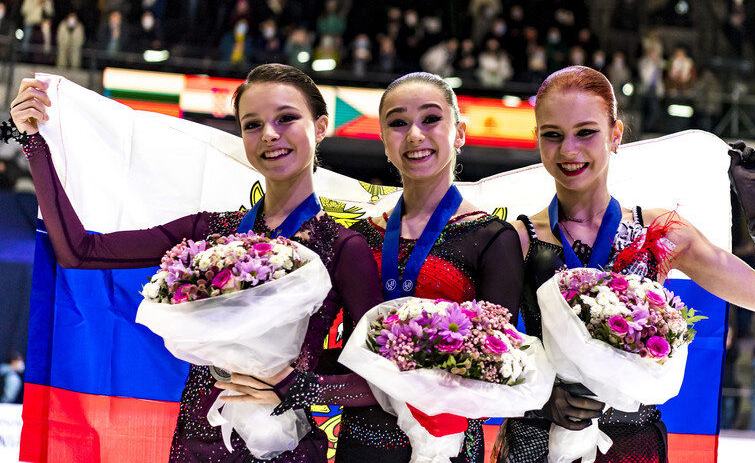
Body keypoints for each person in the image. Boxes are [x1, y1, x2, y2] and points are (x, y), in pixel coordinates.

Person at [7, 63, 384, 462]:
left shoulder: (345, 247)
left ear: (321, 126)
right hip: (196, 442)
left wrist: (297, 385)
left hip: (285, 446)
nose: (270, 134)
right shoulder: (208, 231)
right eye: (252, 124)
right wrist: (33, 141)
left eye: (286, 118)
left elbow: (377, 384)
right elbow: (79, 250)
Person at [495, 66, 755, 462]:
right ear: (537, 139)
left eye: (585, 132)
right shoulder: (517, 238)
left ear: (616, 135)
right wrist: (542, 393)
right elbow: (491, 347)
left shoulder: (657, 231)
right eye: (552, 135)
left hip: (630, 444)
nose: (569, 150)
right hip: (537, 440)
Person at [335, 72, 524, 462]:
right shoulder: (358, 237)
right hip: (363, 440)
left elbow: (497, 359)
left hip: (447, 444)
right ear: (385, 141)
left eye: (431, 119)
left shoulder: (492, 238)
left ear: (459, 133)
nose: (415, 135)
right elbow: (343, 345)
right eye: (398, 123)